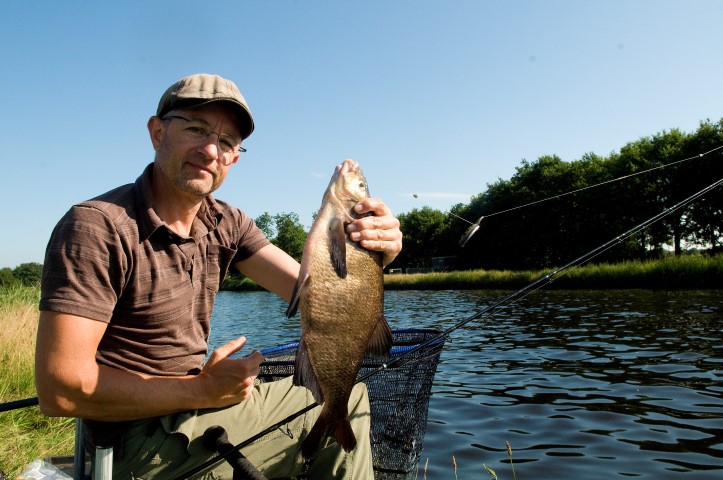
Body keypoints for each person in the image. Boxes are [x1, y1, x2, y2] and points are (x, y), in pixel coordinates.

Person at [35, 73, 403, 479]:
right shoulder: (97, 226)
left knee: (345, 398)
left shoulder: (226, 222)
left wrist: (373, 255)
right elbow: (60, 391)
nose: (211, 150)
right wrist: (202, 391)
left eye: (227, 142)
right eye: (196, 129)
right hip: (132, 442)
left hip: (194, 407)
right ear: (157, 133)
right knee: (349, 405)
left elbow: (312, 291)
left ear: (235, 158)